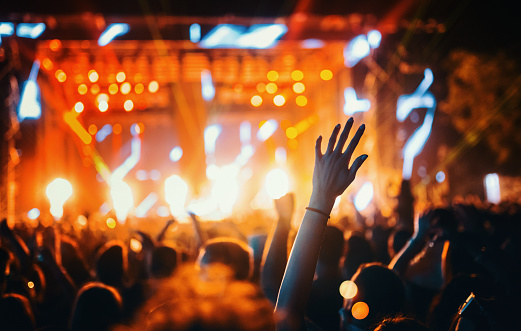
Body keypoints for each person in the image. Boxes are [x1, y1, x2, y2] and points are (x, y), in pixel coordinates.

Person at [275, 117, 368, 331]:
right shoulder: (352, 291)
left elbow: (285, 312)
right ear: (345, 249)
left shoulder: (317, 294)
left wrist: (321, 199)